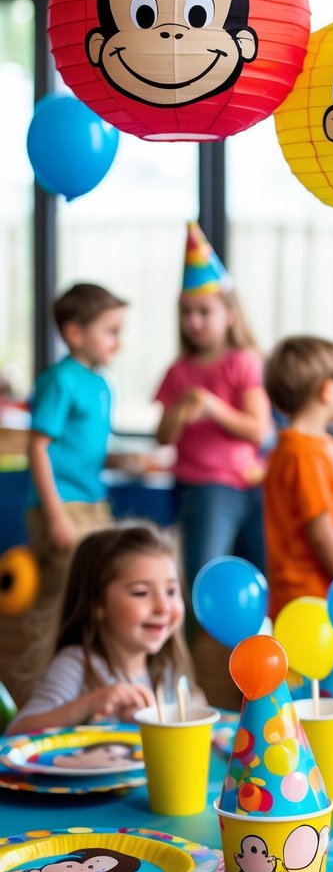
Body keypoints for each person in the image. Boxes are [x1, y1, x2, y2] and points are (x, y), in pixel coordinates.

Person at [155, 222, 272, 593]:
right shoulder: (178, 371)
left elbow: (260, 430)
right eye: (187, 313)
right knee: (202, 579)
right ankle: (187, 651)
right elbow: (163, 436)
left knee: (257, 580)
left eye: (204, 311)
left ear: (230, 314)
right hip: (202, 489)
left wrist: (213, 407)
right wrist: (180, 412)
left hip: (251, 488)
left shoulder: (244, 362)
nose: (194, 321)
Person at [9, 522, 196, 735]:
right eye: (141, 592)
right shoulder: (76, 664)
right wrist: (90, 704)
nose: (163, 607)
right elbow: (17, 732)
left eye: (171, 591)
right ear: (97, 603)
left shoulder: (168, 670)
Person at [27, 282, 127, 615]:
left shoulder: (102, 385)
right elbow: (37, 448)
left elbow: (80, 447)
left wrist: (122, 460)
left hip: (94, 504)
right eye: (111, 331)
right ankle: (43, 666)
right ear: (75, 334)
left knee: (96, 594)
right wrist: (55, 516)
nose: (119, 342)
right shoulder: (60, 380)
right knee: (60, 599)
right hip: (62, 504)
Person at [263, 336, 333, 618]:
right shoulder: (306, 453)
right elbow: (321, 532)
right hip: (314, 600)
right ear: (327, 390)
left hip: (300, 599)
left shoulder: (293, 447)